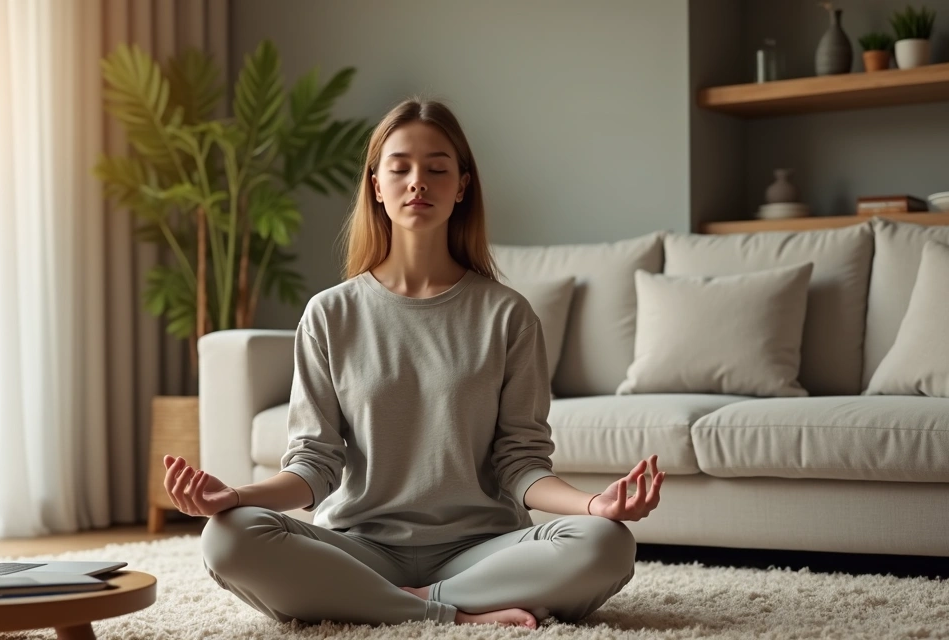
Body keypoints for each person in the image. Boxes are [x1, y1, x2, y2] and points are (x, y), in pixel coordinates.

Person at [162, 97, 666, 629]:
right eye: (399, 168)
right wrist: (233, 495)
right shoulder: (329, 313)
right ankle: (452, 613)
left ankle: (387, 603)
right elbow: (313, 466)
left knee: (607, 543)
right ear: (376, 186)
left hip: (484, 548)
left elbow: (521, 465)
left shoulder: (507, 314)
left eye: (437, 168)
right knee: (228, 535)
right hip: (360, 547)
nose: (417, 182)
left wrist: (594, 507)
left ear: (462, 186)